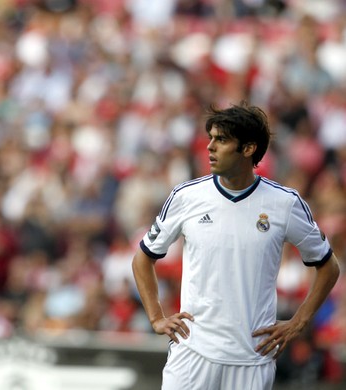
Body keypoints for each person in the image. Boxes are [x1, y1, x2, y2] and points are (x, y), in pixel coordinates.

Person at [131, 101, 341, 389]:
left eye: (221, 140)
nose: (210, 147)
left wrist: (298, 321)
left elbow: (328, 267)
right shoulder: (186, 196)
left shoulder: (285, 204)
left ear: (248, 148)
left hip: (252, 360)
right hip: (192, 354)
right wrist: (156, 317)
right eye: (211, 139)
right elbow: (143, 258)